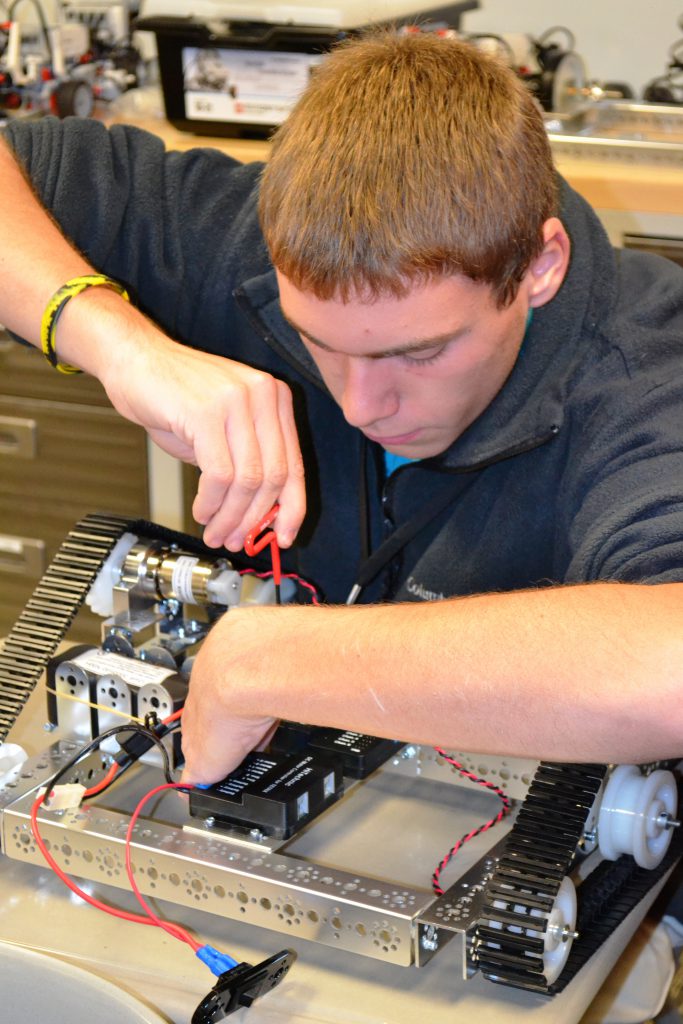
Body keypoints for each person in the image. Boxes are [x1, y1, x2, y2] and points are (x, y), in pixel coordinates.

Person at [1, 31, 683, 789]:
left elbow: (669, 664)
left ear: (539, 268)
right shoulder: (240, 231)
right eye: (315, 339)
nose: (362, 406)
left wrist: (266, 659)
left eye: (419, 353)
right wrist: (121, 345)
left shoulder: (644, 375)